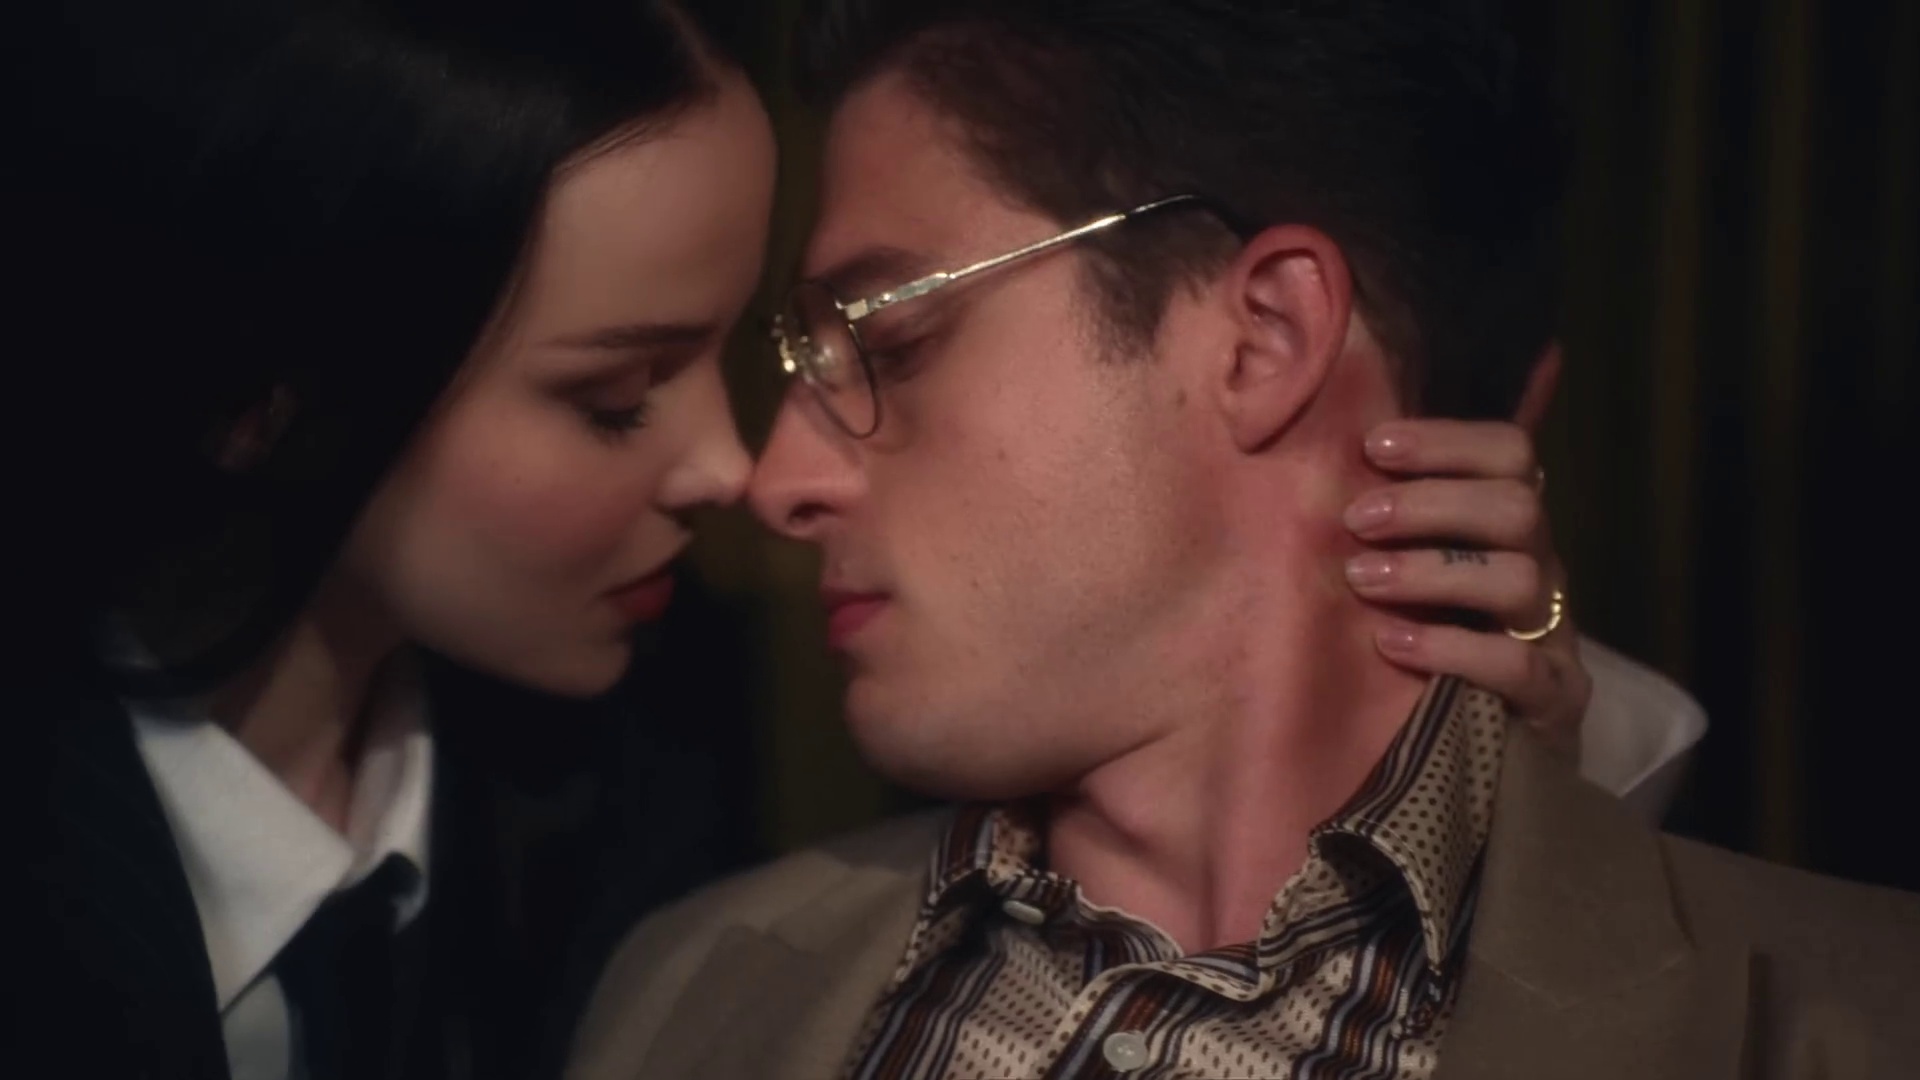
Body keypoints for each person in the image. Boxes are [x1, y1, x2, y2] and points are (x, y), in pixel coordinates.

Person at [5, 1, 1692, 1078]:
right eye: (611, 394)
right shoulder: (715, 914)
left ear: (1267, 335)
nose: (743, 469)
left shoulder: (639, 775)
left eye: (878, 338)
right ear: (267, 393)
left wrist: (1533, 754)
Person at [567, 2, 1920, 1078]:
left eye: (890, 337)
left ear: (1263, 338)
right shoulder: (679, 990)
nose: (779, 478)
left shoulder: (1856, 1018)